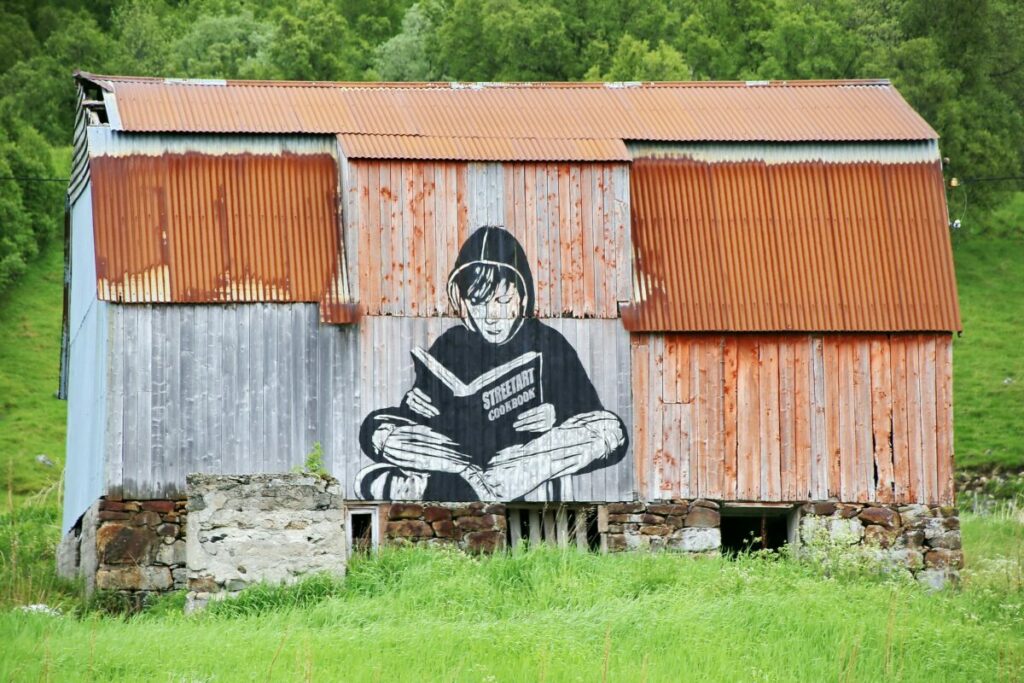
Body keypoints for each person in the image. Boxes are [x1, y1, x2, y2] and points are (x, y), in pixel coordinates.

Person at [356, 226, 627, 501]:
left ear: (522, 298)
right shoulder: (449, 344)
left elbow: (591, 414)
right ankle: (474, 484)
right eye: (478, 303)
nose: (491, 316)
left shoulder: (548, 342)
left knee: (609, 429)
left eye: (503, 300)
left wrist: (556, 416)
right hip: (458, 455)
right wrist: (415, 406)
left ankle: (432, 486)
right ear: (463, 303)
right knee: (377, 429)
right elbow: (424, 426)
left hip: (522, 460)